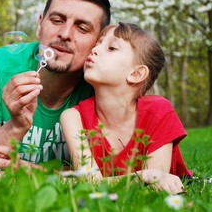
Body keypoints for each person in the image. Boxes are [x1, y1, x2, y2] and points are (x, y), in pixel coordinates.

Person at [0, 0, 111, 169]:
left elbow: (106, 177)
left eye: (82, 28)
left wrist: (28, 172)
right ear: (39, 25)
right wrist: (15, 127)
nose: (64, 33)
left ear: (98, 43)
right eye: (57, 20)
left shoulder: (104, 85)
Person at [60, 22, 192, 194]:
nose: (95, 50)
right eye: (98, 43)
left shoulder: (159, 111)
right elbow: (89, 182)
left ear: (136, 74)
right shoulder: (72, 117)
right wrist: (143, 175)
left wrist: (150, 176)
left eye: (111, 48)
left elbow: (158, 182)